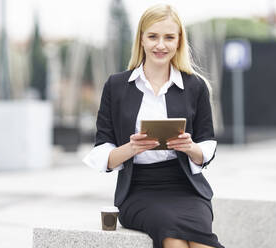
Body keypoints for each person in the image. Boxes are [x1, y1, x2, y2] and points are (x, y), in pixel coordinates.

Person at [83, 3, 224, 248]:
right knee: (173, 238)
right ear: (141, 40)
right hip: (138, 190)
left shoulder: (195, 86)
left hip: (187, 189)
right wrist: (132, 148)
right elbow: (101, 150)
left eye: (169, 37)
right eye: (153, 36)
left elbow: (207, 145)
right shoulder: (116, 86)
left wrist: (190, 147)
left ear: (179, 41)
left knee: (202, 243)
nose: (161, 45)